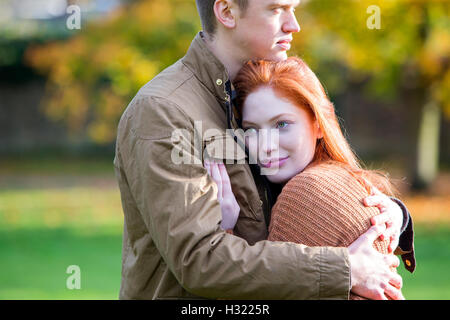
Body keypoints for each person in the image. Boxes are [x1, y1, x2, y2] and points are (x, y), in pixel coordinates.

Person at [114, 0, 414, 299]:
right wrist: (344, 268)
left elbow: (313, 185)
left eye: (293, 9)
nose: (293, 25)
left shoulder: (262, 88)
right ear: (227, 12)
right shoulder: (163, 111)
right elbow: (198, 260)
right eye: (276, 9)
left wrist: (389, 214)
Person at [204, 57, 415, 300]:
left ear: (318, 124)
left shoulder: (304, 192)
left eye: (282, 124)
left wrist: (225, 230)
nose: (266, 146)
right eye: (252, 130)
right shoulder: (341, 177)